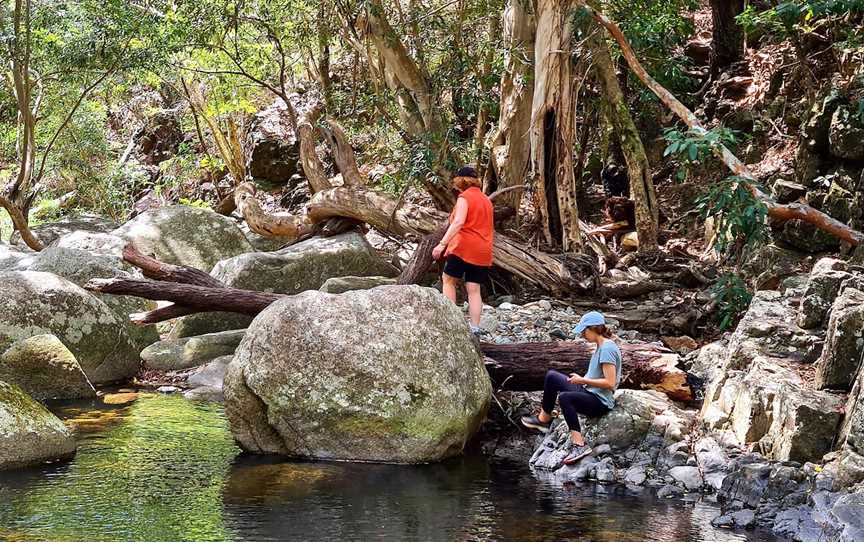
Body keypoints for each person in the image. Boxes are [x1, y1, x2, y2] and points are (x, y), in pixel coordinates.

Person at [520, 311, 622, 465]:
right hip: (589, 391)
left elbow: (610, 382)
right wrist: (583, 381)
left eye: (584, 331)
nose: (582, 334)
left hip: (600, 402)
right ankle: (543, 420)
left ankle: (579, 445)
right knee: (552, 376)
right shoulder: (601, 345)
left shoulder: (607, 349)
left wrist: (582, 379)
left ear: (593, 328)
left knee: (565, 398)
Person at [432, 165, 494, 335]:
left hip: (463, 247)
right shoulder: (486, 200)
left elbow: (458, 222)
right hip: (483, 249)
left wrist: (442, 244)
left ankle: (451, 322)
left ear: (460, 181)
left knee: (449, 280)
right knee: (474, 289)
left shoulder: (464, 198)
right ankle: (474, 327)